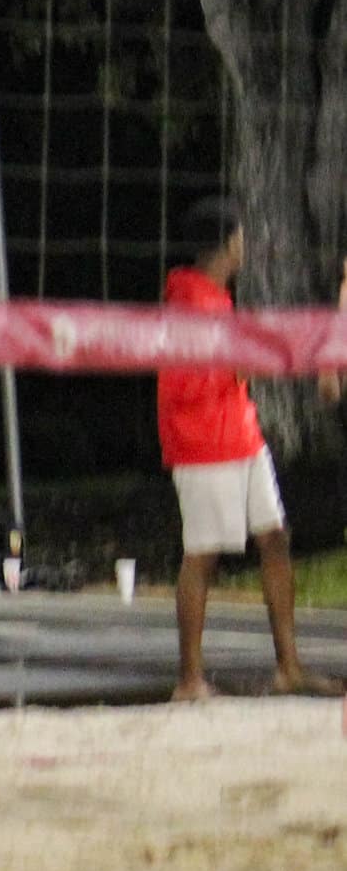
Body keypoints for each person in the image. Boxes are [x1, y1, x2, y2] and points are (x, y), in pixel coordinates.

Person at [160, 198, 337, 702]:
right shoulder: (191, 301)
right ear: (226, 244)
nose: (246, 245)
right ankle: (189, 680)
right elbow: (239, 363)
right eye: (240, 236)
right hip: (203, 442)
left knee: (275, 537)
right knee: (202, 556)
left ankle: (290, 667)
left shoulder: (214, 297)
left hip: (238, 434)